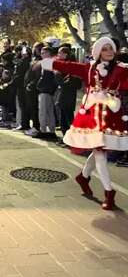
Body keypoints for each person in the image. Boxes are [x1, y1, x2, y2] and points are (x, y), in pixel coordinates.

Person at [41, 37, 128, 209]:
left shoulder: (122, 69)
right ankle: (109, 193)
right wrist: (47, 62)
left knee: (99, 150)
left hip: (111, 116)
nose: (109, 52)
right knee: (100, 153)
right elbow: (68, 66)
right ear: (98, 52)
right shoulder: (90, 68)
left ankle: (83, 176)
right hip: (91, 117)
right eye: (105, 49)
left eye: (111, 48)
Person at [54, 46, 81, 139]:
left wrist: (59, 77)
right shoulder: (62, 65)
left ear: (65, 54)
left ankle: (71, 137)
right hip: (64, 93)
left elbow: (74, 82)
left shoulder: (70, 66)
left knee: (67, 117)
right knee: (64, 116)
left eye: (60, 53)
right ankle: (67, 137)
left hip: (68, 94)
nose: (58, 55)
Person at [34, 46, 58, 140]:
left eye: (44, 53)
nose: (42, 54)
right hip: (47, 90)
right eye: (42, 53)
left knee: (44, 111)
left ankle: (43, 130)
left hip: (46, 90)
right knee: (49, 111)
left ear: (49, 53)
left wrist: (39, 86)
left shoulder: (49, 63)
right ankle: (50, 130)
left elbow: (46, 78)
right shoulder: (49, 62)